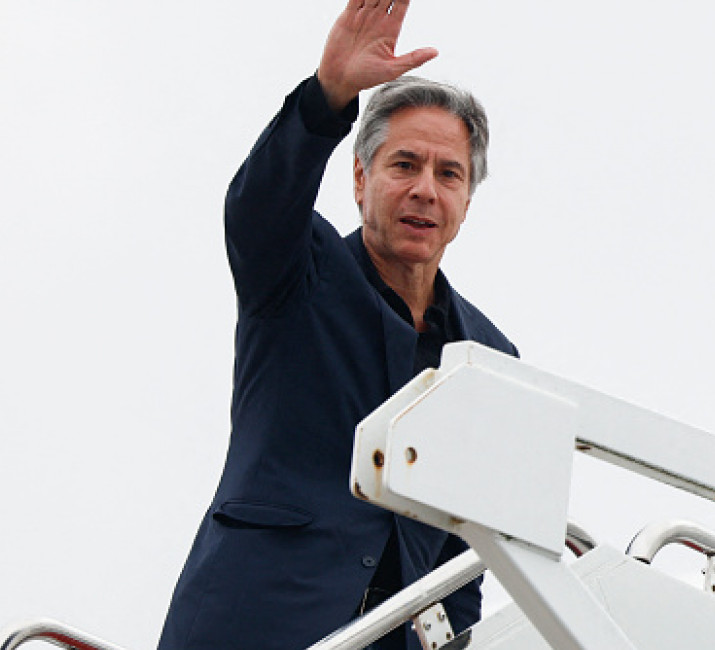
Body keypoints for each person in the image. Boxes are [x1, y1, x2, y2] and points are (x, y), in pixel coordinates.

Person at [157, 2, 517, 648]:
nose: (424, 191)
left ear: (466, 201)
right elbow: (258, 204)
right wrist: (328, 98)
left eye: (448, 174)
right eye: (403, 165)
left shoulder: (486, 355)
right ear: (361, 178)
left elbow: (465, 555)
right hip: (253, 622)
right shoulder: (297, 269)